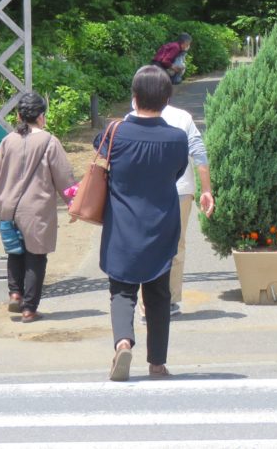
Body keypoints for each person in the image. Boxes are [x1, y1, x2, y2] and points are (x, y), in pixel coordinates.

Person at [101, 65, 190, 381]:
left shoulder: (113, 134)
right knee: (158, 293)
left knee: (122, 290)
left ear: (134, 97)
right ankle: (157, 362)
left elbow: (102, 168)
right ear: (167, 99)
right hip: (161, 224)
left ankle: (123, 342)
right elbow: (177, 174)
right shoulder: (177, 139)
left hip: (123, 225)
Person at [0, 92, 76, 323]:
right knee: (36, 257)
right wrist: (74, 204)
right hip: (37, 211)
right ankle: (29, 309)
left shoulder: (8, 141)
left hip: (9, 209)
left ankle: (15, 293)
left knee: (15, 253)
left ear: (19, 116)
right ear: (41, 117)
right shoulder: (49, 141)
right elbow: (64, 177)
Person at [125, 97, 215, 318]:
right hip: (180, 191)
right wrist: (206, 189)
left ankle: (146, 302)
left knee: (145, 243)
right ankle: (169, 300)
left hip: (142, 194)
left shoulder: (131, 118)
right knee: (176, 245)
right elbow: (199, 154)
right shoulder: (182, 117)